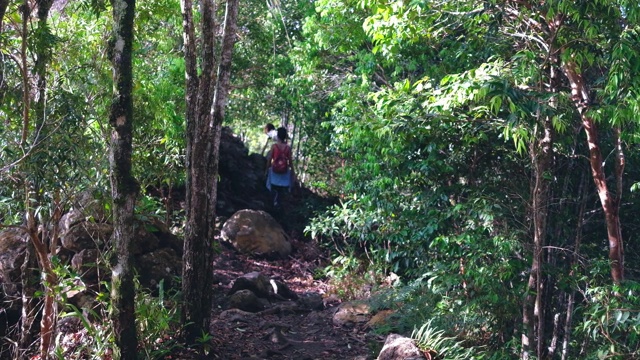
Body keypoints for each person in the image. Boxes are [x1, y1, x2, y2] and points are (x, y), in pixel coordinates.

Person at [265, 127, 295, 207]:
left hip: (274, 171)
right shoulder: (288, 148)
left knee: (273, 187)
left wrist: (266, 169)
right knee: (282, 191)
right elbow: (290, 162)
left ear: (277, 136)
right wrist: (293, 173)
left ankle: (273, 202)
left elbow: (270, 159)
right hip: (284, 172)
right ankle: (279, 203)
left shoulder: (274, 147)